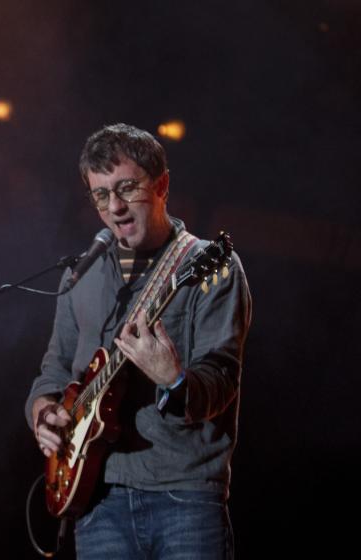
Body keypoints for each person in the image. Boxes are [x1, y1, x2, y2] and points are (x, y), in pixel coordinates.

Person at [25, 123, 251, 559]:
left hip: (183, 495)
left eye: (127, 188)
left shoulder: (210, 265)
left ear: (162, 184)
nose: (115, 207)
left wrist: (174, 378)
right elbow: (53, 370)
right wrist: (43, 412)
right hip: (95, 498)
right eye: (100, 195)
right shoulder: (81, 274)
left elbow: (222, 380)